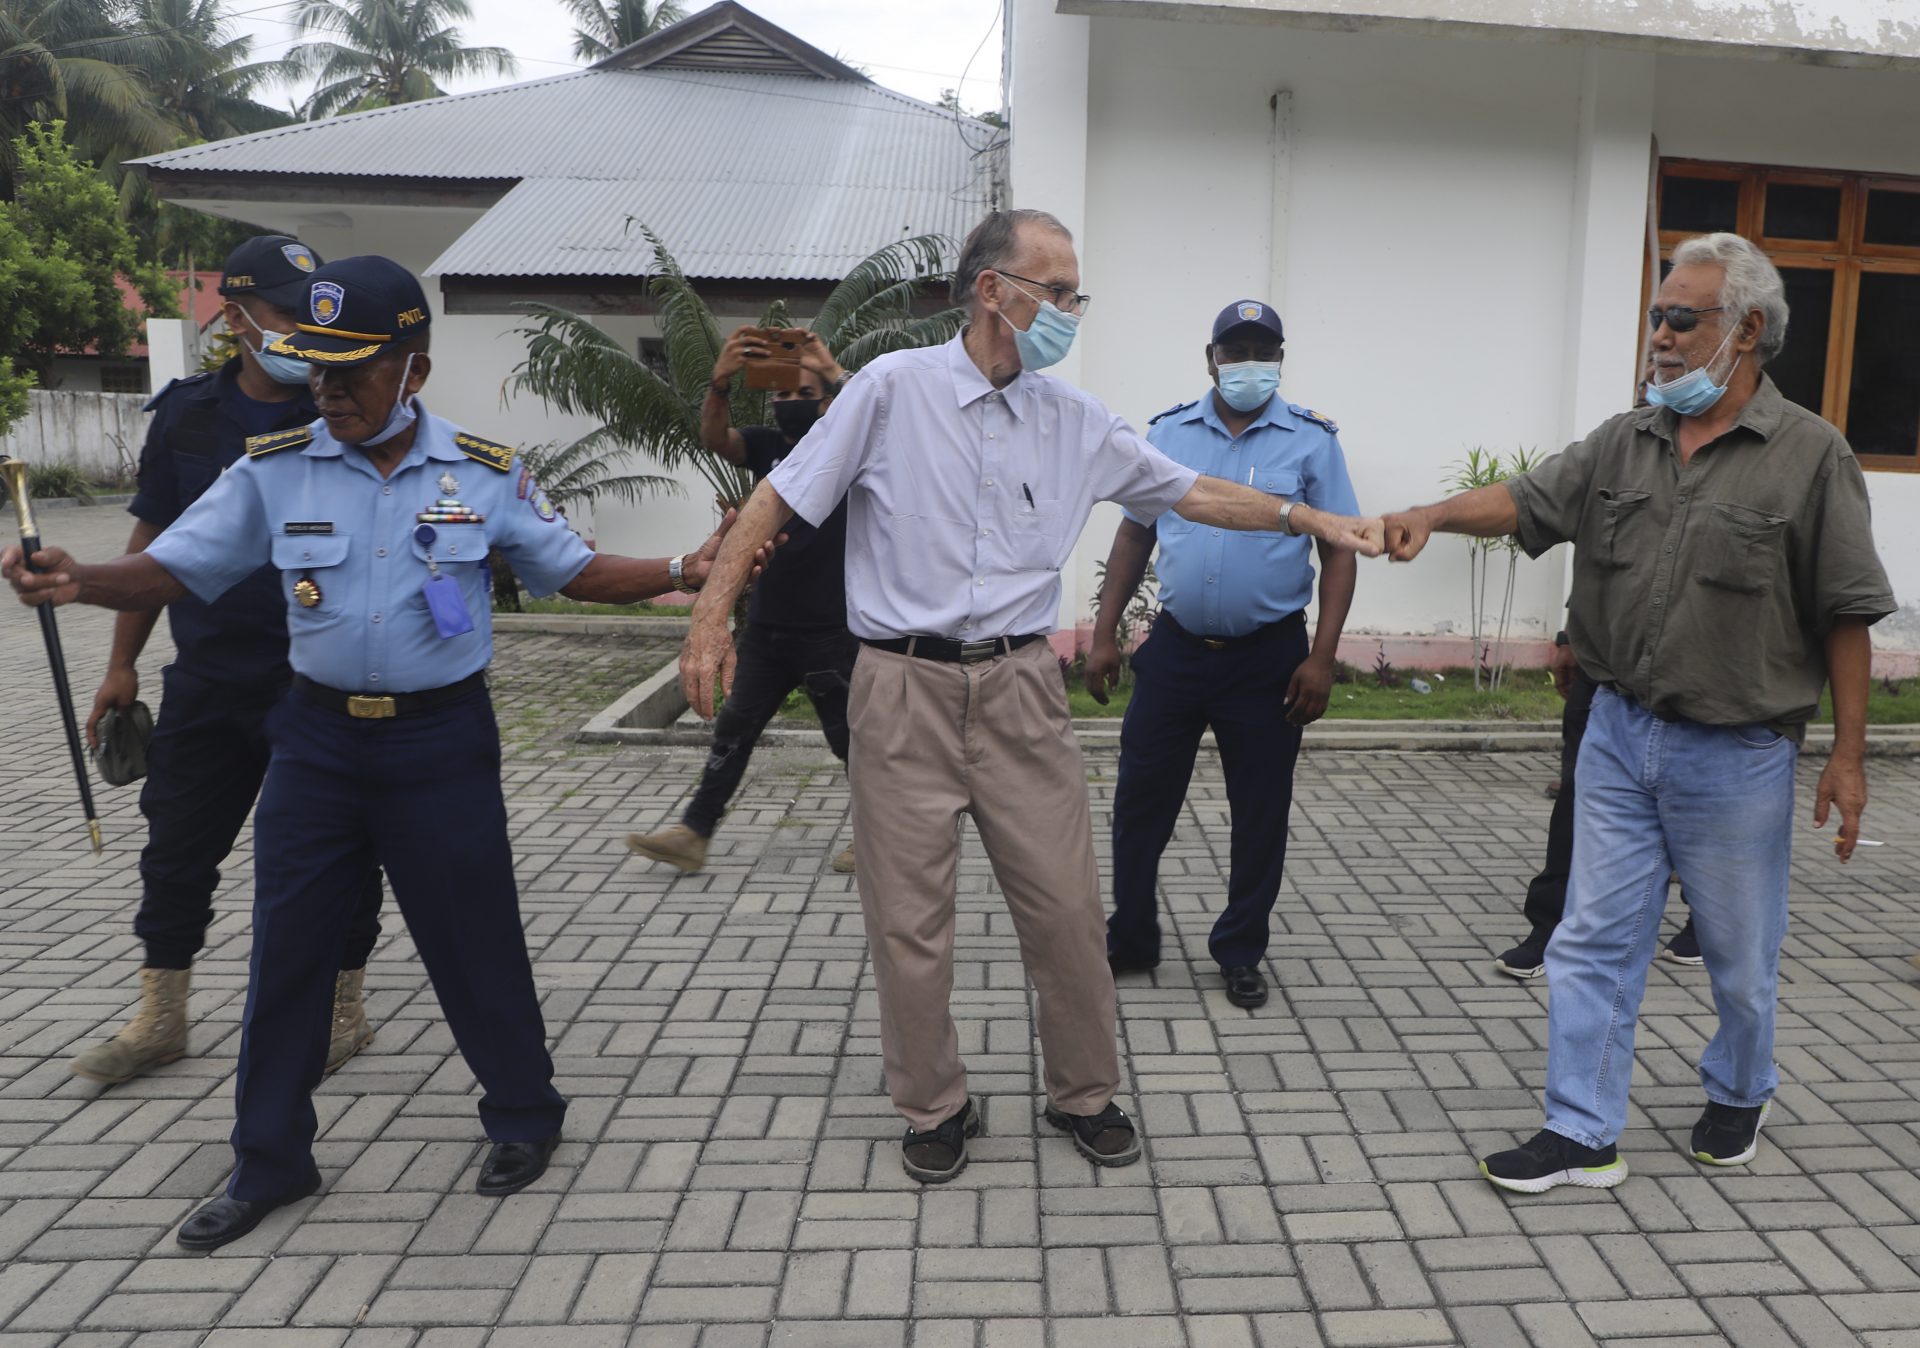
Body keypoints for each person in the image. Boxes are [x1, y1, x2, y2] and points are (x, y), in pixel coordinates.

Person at [5, 255, 768, 1251]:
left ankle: (524, 1113)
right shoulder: (276, 466)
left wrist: (678, 567)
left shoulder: (483, 473)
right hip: (314, 740)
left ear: (414, 367)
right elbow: (173, 566)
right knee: (287, 951)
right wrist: (81, 577)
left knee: (474, 934)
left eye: (351, 371)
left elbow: (574, 570)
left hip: (440, 740)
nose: (326, 390)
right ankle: (268, 1160)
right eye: (314, 369)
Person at [678, 208, 1384, 1184]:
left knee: (1064, 908)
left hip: (1018, 690)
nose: (1070, 310)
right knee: (909, 920)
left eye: (1075, 293)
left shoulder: (1076, 421)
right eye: (1056, 291)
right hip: (901, 685)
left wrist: (1311, 517)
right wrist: (713, 612)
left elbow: (1190, 492)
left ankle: (1084, 1092)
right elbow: (780, 495)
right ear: (992, 292)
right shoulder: (890, 391)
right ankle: (934, 1103)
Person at [1383, 232, 1893, 1194]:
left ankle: (1743, 1084)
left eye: (1679, 317)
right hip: (1618, 734)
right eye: (1655, 315)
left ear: (1743, 332)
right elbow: (1529, 501)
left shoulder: (1810, 456)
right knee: (1590, 938)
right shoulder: (1628, 438)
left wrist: (1849, 756)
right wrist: (1433, 514)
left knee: (1739, 960)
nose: (1657, 334)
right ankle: (1581, 1129)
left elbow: (1849, 611)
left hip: (1736, 754)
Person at [72, 235, 386, 1085]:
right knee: (175, 847)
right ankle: (161, 1015)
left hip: (317, 682)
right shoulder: (187, 414)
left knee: (340, 850)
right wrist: (120, 665)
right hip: (210, 678)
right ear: (239, 318)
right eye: (289, 314)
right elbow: (154, 538)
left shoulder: (339, 412)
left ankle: (341, 1010)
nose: (306, 332)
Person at [1088, 299, 1359, 1009]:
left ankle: (1240, 948)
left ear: (1280, 360)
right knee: (1140, 800)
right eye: (1233, 352)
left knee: (1260, 809)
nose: (1247, 365)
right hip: (1175, 650)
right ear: (1209, 359)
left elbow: (1338, 551)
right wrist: (1102, 633)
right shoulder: (1169, 433)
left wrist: (1322, 656)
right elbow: (1133, 536)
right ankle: (1134, 934)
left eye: (1261, 352)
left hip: (1268, 657)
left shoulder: (1311, 442)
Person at [627, 325, 857, 875]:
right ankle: (694, 833)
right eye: (784, 394)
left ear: (827, 402)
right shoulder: (767, 446)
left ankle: (882, 838)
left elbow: (874, 414)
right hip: (770, 626)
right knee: (735, 727)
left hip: (831, 628)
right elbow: (715, 438)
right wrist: (721, 380)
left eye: (806, 395)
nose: (792, 405)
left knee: (851, 740)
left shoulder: (844, 447)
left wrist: (832, 371)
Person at [1493, 633, 1700, 979]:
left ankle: (1707, 922)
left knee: (1693, 789)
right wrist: (1569, 638)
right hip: (1608, 658)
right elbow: (1593, 577)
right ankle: (1551, 927)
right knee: (1576, 789)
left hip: (1699, 661)